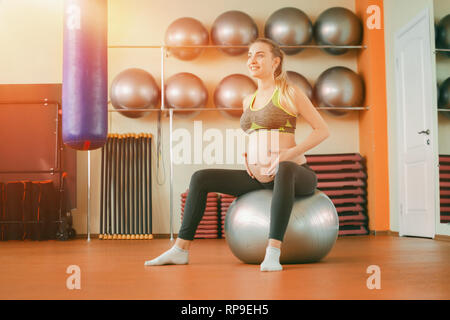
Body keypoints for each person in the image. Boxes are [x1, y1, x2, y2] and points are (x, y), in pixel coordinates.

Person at [145, 38, 330, 271]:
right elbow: (257, 135)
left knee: (284, 168)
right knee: (201, 177)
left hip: (296, 174)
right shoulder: (248, 100)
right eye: (250, 55)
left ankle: (272, 251)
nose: (252, 60)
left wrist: (289, 153)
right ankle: (180, 249)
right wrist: (250, 156)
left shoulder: (289, 92)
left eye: (260, 55)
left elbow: (323, 130)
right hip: (260, 179)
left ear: (275, 62)